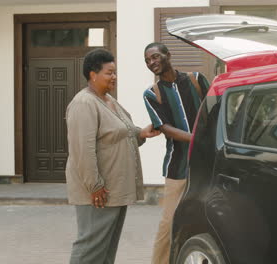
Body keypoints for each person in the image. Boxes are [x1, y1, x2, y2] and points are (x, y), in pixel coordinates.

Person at [66, 48, 160, 264]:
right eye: (109, 73)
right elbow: (82, 150)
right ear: (92, 74)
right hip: (99, 192)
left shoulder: (108, 100)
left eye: (115, 72)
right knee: (90, 248)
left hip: (113, 190)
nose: (114, 77)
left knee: (106, 249)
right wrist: (94, 185)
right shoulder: (84, 104)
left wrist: (141, 133)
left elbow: (120, 132)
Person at [142, 42, 210, 264]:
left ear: (167, 55)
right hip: (177, 166)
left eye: (154, 57)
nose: (152, 63)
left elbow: (214, 109)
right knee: (169, 221)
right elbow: (163, 127)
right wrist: (195, 139)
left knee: (207, 216)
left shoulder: (196, 80)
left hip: (207, 163)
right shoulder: (152, 94)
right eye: (147, 61)